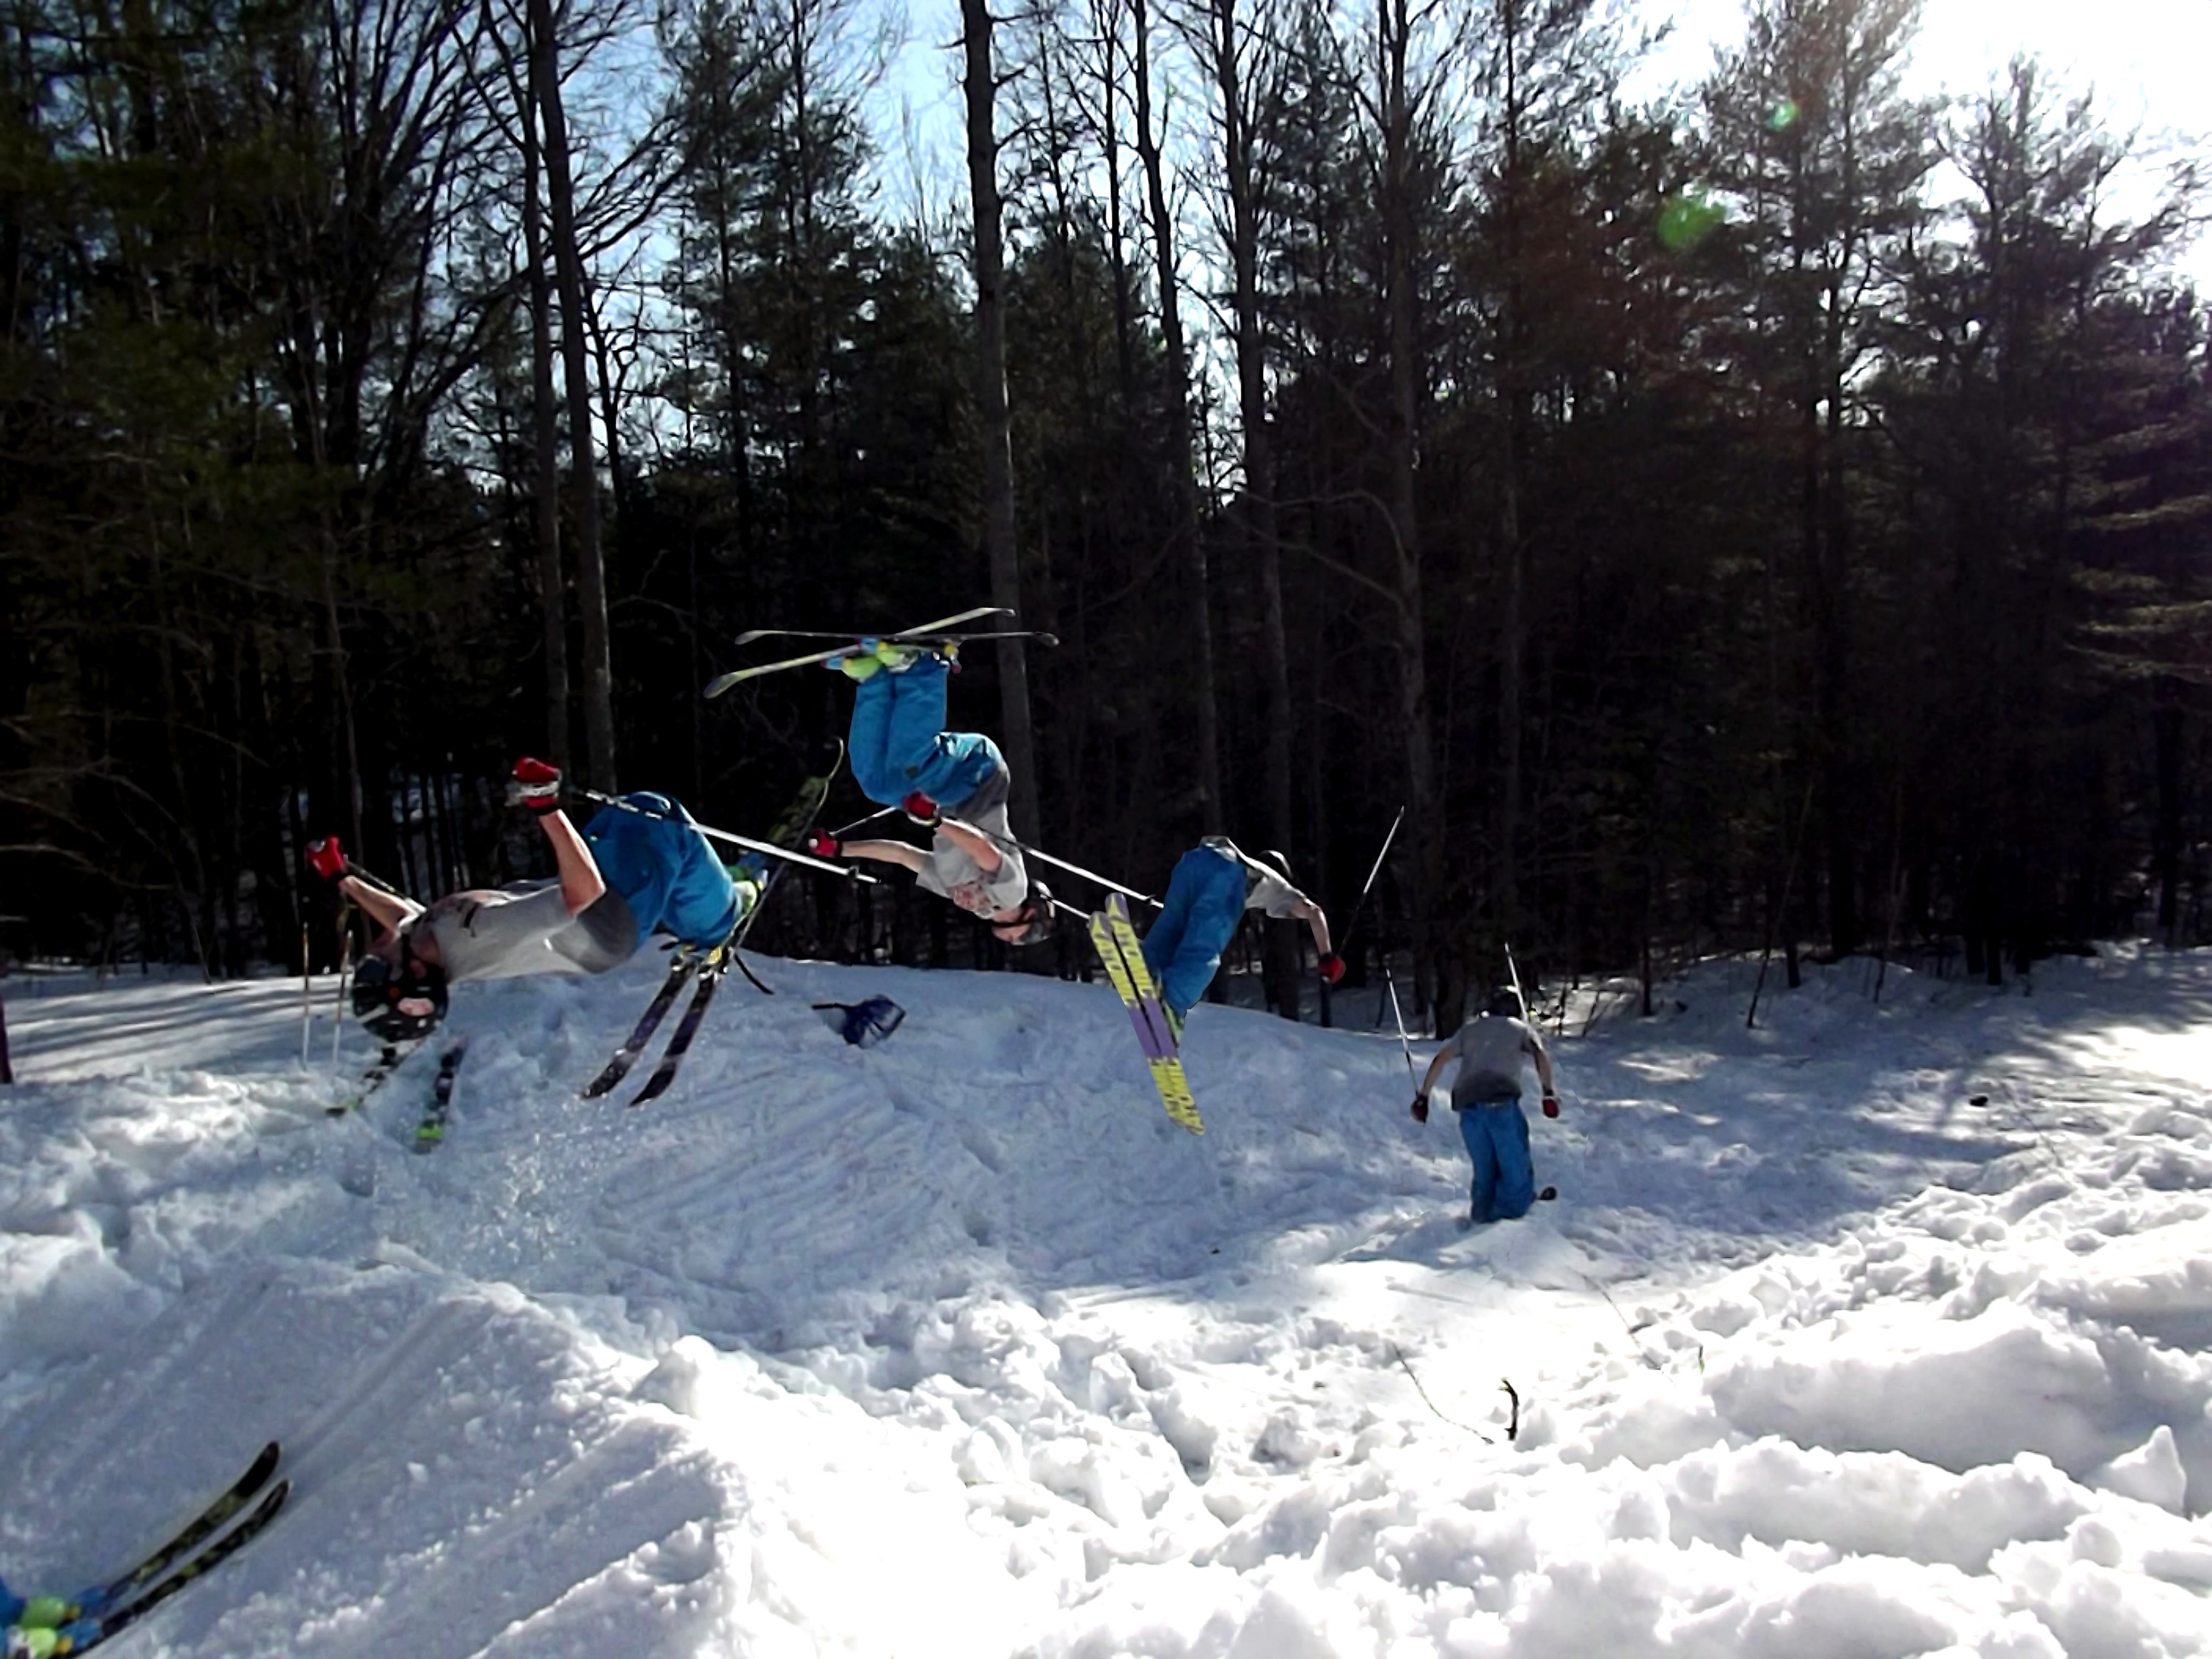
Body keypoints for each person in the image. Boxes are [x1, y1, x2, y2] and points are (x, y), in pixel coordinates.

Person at [315, 758, 756, 1044]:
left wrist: (343, 879)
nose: (371, 951)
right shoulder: (484, 931)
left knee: (623, 820)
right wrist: (547, 808)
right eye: (375, 963)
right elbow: (584, 892)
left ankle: (706, 893)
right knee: (659, 819)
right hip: (610, 917)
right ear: (411, 970)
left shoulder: (428, 940)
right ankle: (723, 913)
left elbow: (404, 916)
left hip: (601, 907)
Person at [804, 644, 1053, 946]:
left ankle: (874, 681)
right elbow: (980, 848)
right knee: (911, 767)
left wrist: (841, 849)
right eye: (1027, 937)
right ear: (1032, 915)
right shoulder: (1012, 891)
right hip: (978, 776)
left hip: (945, 798)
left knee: (876, 784)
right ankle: (927, 666)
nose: (1018, 942)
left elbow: (902, 854)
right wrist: (934, 822)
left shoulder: (952, 889)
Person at [1139, 839, 1342, 1026]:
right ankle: (1172, 1004)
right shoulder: (1280, 885)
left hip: (1195, 860)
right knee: (1203, 947)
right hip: (1226, 875)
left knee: (1172, 927)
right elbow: (1314, 912)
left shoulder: (1249, 863)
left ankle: (1149, 966)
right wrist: (1326, 955)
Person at [1411, 990, 1560, 1226]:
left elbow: (1441, 1058)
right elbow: (1540, 1055)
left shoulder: (1470, 1029)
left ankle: (1481, 1213)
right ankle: (1511, 1216)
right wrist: (1548, 1093)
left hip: (1468, 1107)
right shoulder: (1519, 1028)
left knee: (1484, 1166)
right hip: (1500, 1103)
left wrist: (1423, 1097)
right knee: (1513, 1163)